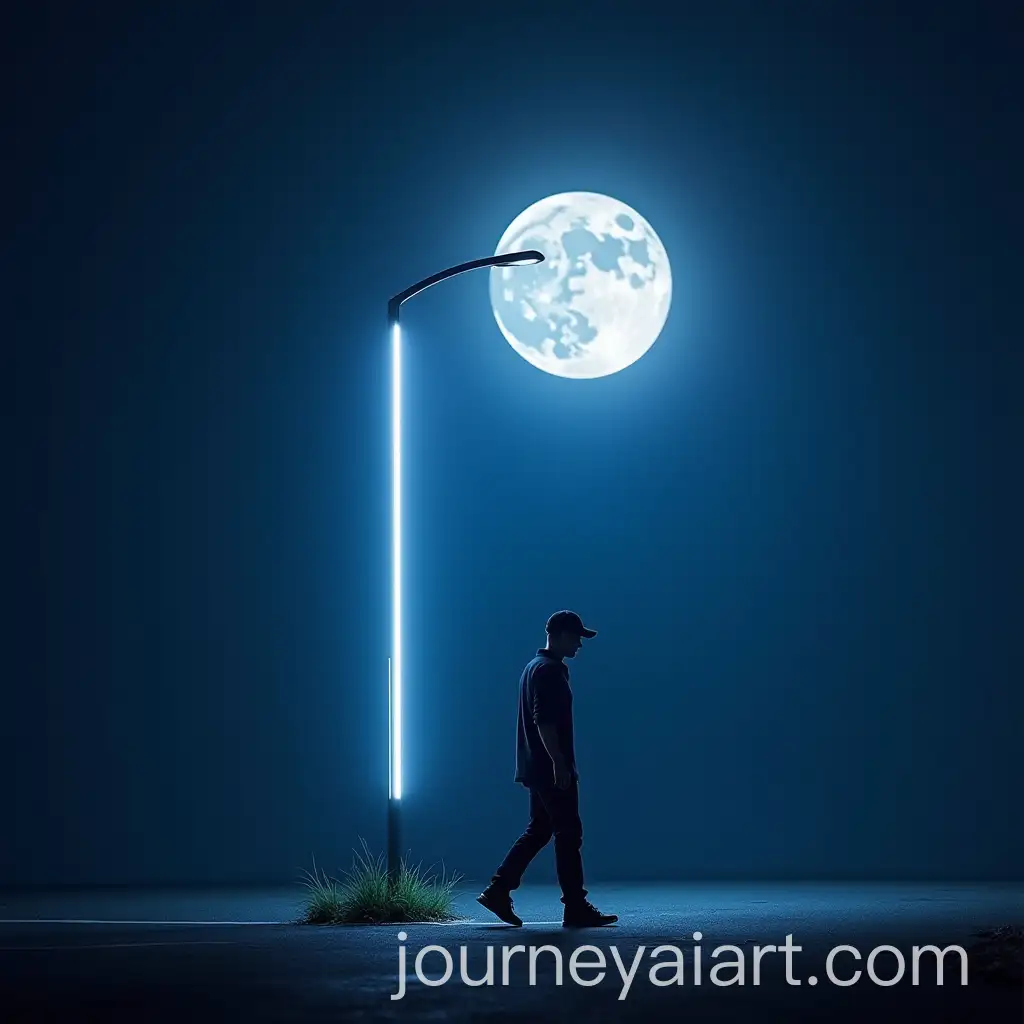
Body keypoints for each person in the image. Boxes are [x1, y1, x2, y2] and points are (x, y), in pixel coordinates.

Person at [477, 610, 618, 928]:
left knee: (541, 829)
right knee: (569, 833)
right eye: (576, 636)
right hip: (550, 767)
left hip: (535, 766)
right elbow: (543, 719)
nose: (580, 644)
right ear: (558, 635)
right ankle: (575, 907)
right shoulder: (550, 670)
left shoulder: (533, 667)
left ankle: (498, 889)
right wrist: (559, 762)